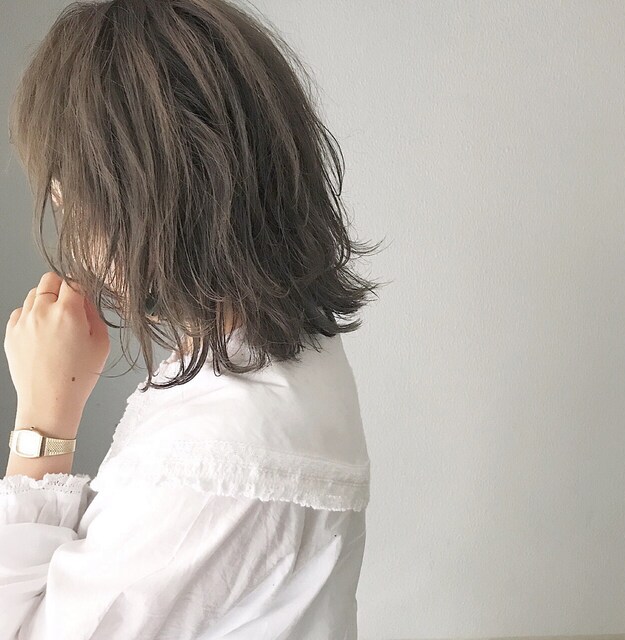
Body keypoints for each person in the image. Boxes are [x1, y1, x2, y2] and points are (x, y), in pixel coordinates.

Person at [1, 0, 385, 637]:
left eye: (71, 195)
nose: (68, 222)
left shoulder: (211, 459)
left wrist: (43, 421)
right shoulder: (289, 350)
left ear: (146, 201)